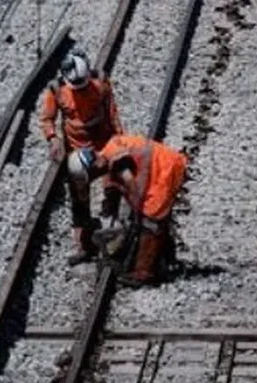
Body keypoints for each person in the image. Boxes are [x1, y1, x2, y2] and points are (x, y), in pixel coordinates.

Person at [64, 133, 187, 287]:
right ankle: (165, 258)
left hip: (165, 170)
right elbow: (114, 189)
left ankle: (143, 273)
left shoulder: (115, 162)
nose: (94, 178)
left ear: (93, 167)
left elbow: (130, 182)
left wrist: (138, 210)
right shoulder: (109, 154)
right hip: (162, 166)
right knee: (154, 219)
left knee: (151, 222)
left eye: (92, 175)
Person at [38, 48, 124, 265]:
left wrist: (120, 143)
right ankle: (84, 244)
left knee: (113, 187)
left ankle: (114, 231)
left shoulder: (101, 82)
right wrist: (53, 139)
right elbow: (47, 119)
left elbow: (112, 114)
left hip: (104, 146)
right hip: (77, 152)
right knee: (78, 199)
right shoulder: (56, 90)